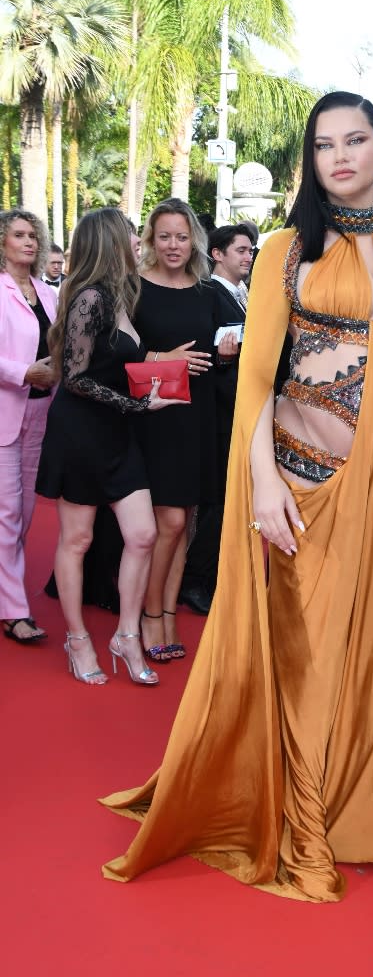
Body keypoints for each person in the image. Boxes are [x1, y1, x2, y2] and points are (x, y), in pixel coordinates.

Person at [100, 91, 373, 905]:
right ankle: (321, 814)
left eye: (355, 140)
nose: (339, 156)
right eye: (323, 145)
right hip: (313, 480)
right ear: (311, 160)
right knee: (315, 655)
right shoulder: (285, 249)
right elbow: (259, 376)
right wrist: (264, 480)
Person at [36, 207, 182, 686]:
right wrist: (140, 407)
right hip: (81, 433)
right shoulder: (90, 298)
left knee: (141, 535)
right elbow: (75, 378)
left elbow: (118, 365)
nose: (138, 240)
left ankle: (125, 635)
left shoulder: (122, 295)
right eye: (131, 234)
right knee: (77, 540)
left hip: (118, 432)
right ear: (111, 242)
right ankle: (77, 638)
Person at [134, 198, 227, 662]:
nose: (173, 245)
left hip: (198, 418)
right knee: (168, 523)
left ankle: (167, 612)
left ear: (195, 240)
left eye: (181, 236)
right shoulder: (134, 290)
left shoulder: (207, 291)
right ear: (151, 239)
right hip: (155, 417)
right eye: (165, 236)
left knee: (184, 524)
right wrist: (160, 358)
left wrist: (226, 351)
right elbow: (114, 360)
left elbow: (219, 346)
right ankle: (150, 615)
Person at [179, 224, 253, 615]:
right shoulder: (209, 294)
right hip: (219, 409)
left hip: (238, 407)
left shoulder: (242, 295)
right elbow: (208, 352)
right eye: (240, 250)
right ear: (218, 254)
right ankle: (196, 577)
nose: (248, 256)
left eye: (250, 250)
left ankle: (206, 575)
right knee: (220, 499)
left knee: (227, 498)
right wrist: (224, 359)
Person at [0, 209, 56, 643]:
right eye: (19, 234)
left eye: (33, 234)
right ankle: (15, 610)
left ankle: (8, 595)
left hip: (41, 412)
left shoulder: (46, 291)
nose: (29, 241)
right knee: (7, 513)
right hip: (7, 409)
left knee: (26, 513)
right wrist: (23, 373)